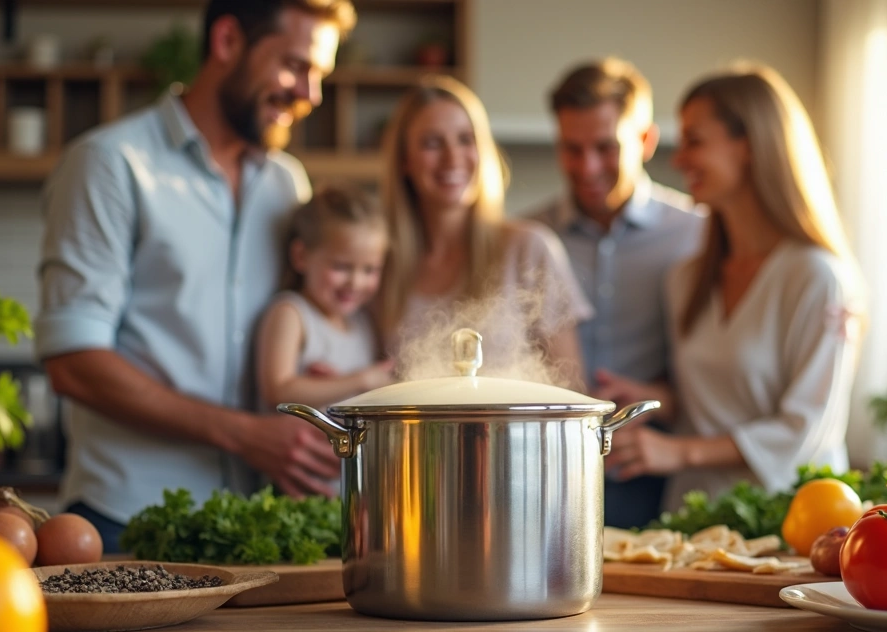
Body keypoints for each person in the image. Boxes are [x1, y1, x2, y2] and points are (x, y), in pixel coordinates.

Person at [34, 0, 355, 552]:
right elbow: (74, 362)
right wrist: (246, 435)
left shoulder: (286, 185)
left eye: (319, 75)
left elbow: (297, 324)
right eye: (296, 66)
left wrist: (320, 376)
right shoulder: (111, 164)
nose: (310, 94)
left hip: (255, 522)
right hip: (126, 521)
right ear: (228, 42)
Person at [601, 64, 865, 510]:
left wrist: (677, 452)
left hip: (791, 523)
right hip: (692, 517)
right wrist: (662, 401)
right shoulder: (685, 279)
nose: (679, 158)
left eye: (694, 141)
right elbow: (722, 402)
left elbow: (804, 428)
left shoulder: (820, 278)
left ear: (750, 146)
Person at [524, 57, 704, 528]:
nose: (588, 167)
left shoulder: (695, 233)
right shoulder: (527, 238)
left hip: (652, 463)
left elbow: (725, 366)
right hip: (543, 470)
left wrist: (662, 394)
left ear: (646, 141)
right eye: (571, 148)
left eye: (606, 147)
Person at [377, 75, 592, 389]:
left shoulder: (529, 248)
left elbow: (570, 388)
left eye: (465, 139)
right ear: (405, 161)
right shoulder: (383, 266)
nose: (453, 158)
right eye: (432, 143)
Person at [254, 184, 393, 413]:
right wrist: (359, 380)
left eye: (369, 270)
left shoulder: (363, 323)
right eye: (341, 266)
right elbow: (277, 390)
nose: (356, 283)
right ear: (301, 256)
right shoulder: (291, 313)